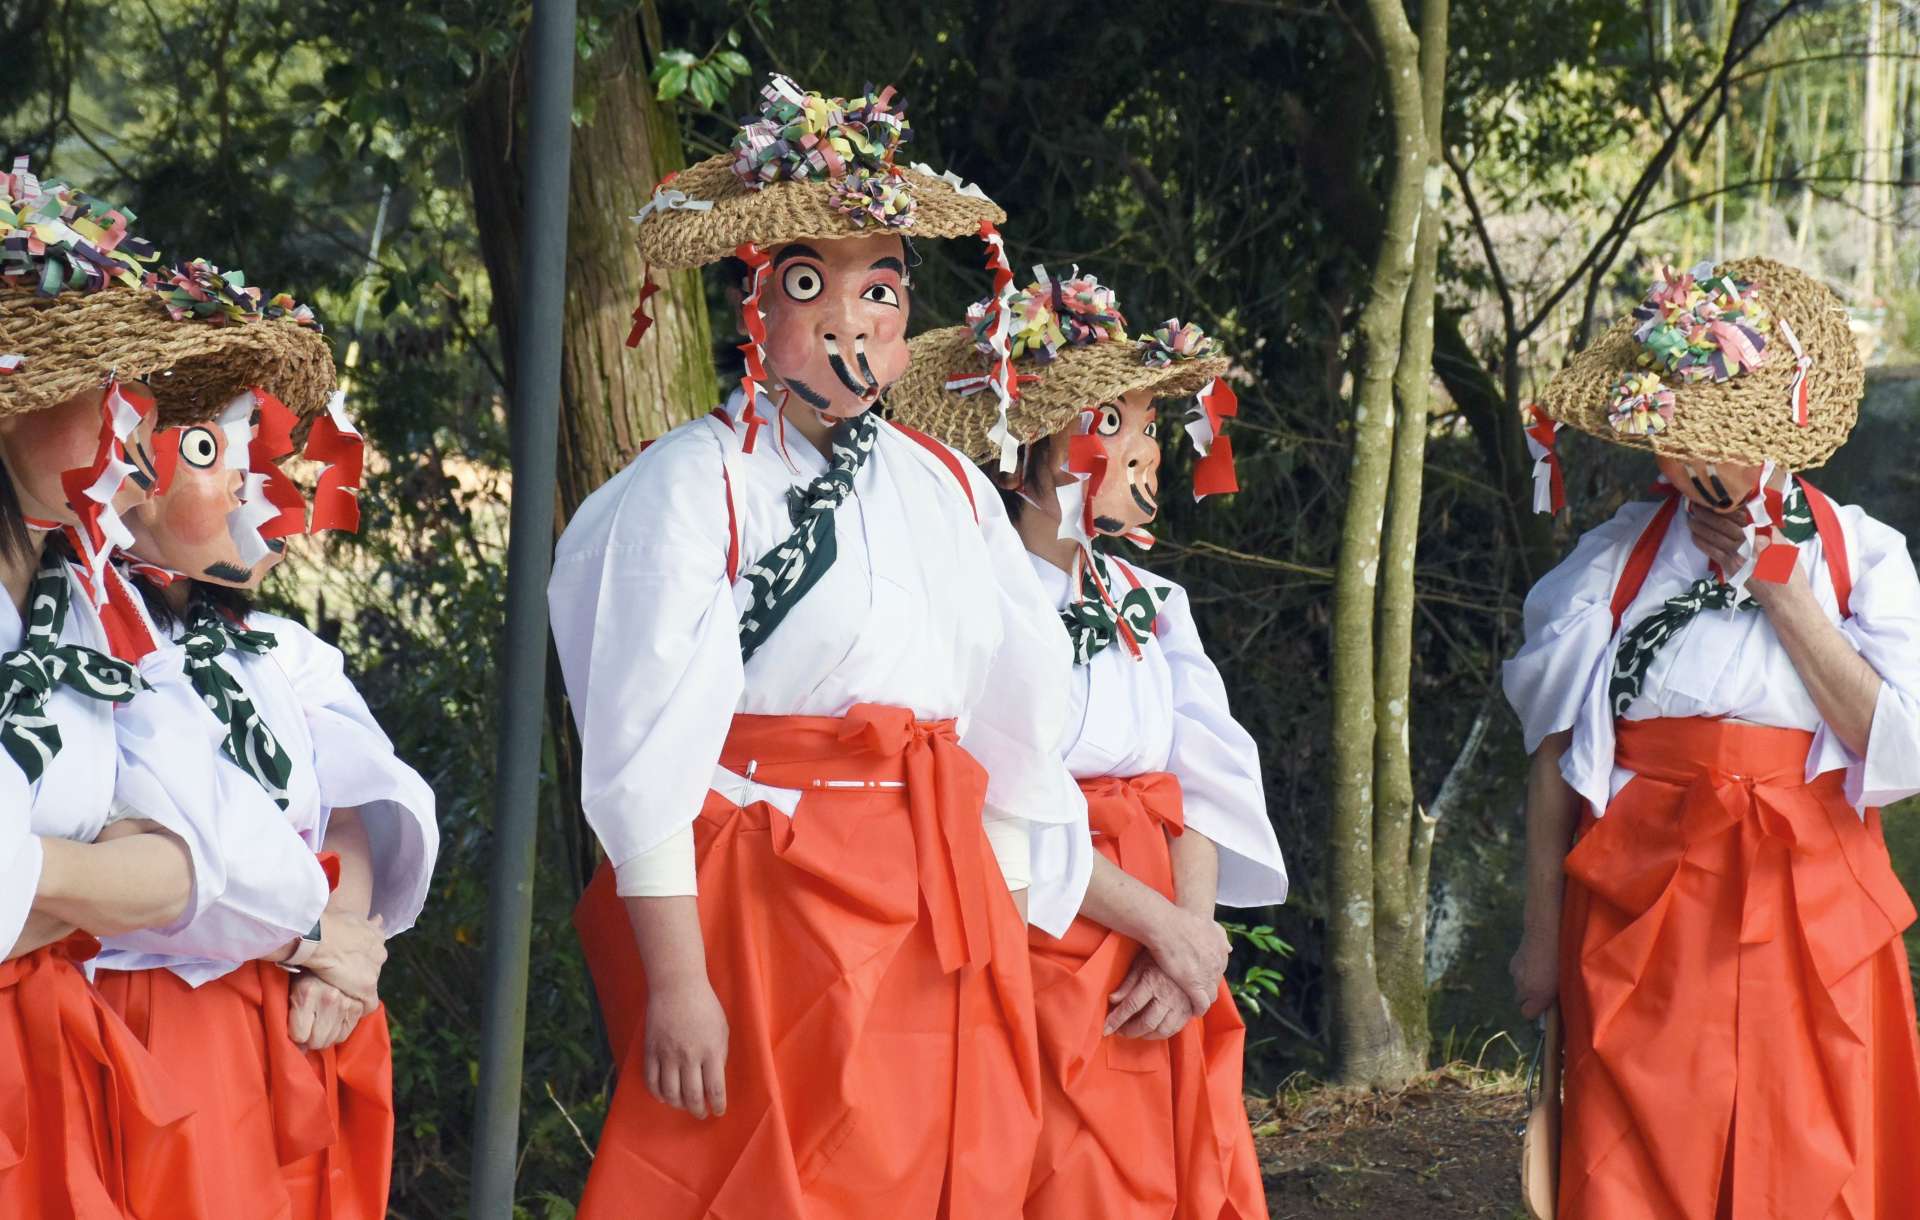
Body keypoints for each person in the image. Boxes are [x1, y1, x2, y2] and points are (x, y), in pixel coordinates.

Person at [553, 74, 1092, 1218]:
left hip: (940, 893)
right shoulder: (694, 484)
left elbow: (1015, 708)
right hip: (768, 895)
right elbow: (643, 744)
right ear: (758, 306)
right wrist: (680, 978)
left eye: (881, 287)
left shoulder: (947, 481)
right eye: (811, 284)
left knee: (953, 1171)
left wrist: (1001, 924)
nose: (852, 320)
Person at [1504, 257, 1920, 1218]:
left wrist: (1783, 589)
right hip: (1642, 903)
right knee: (1642, 1164)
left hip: (1811, 903)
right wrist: (1536, 938)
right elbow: (1554, 763)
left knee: (1814, 1165)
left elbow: (1896, 749)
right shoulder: (1610, 563)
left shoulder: (1865, 555)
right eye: (1679, 437)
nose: (1697, 464)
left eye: (1721, 436)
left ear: (1778, 429)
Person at [889, 271, 1286, 1219]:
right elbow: (989, 806)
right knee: (1074, 1181)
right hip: (1042, 935)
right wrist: (1159, 926)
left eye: (1150, 428)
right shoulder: (969, 604)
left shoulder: (1155, 602)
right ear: (1050, 449)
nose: (1149, 453)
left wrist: (1192, 942)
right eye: (1124, 426)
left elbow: (1200, 782)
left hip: (1163, 940)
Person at [84, 272, 438, 1220]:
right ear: (126, 480)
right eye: (207, 448)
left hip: (303, 1004)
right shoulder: (86, 642)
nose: (248, 477)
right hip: (157, 1018)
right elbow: (141, 837)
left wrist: (348, 942)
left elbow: (355, 791)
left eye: (250, 443)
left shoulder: (281, 649)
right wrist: (311, 935)